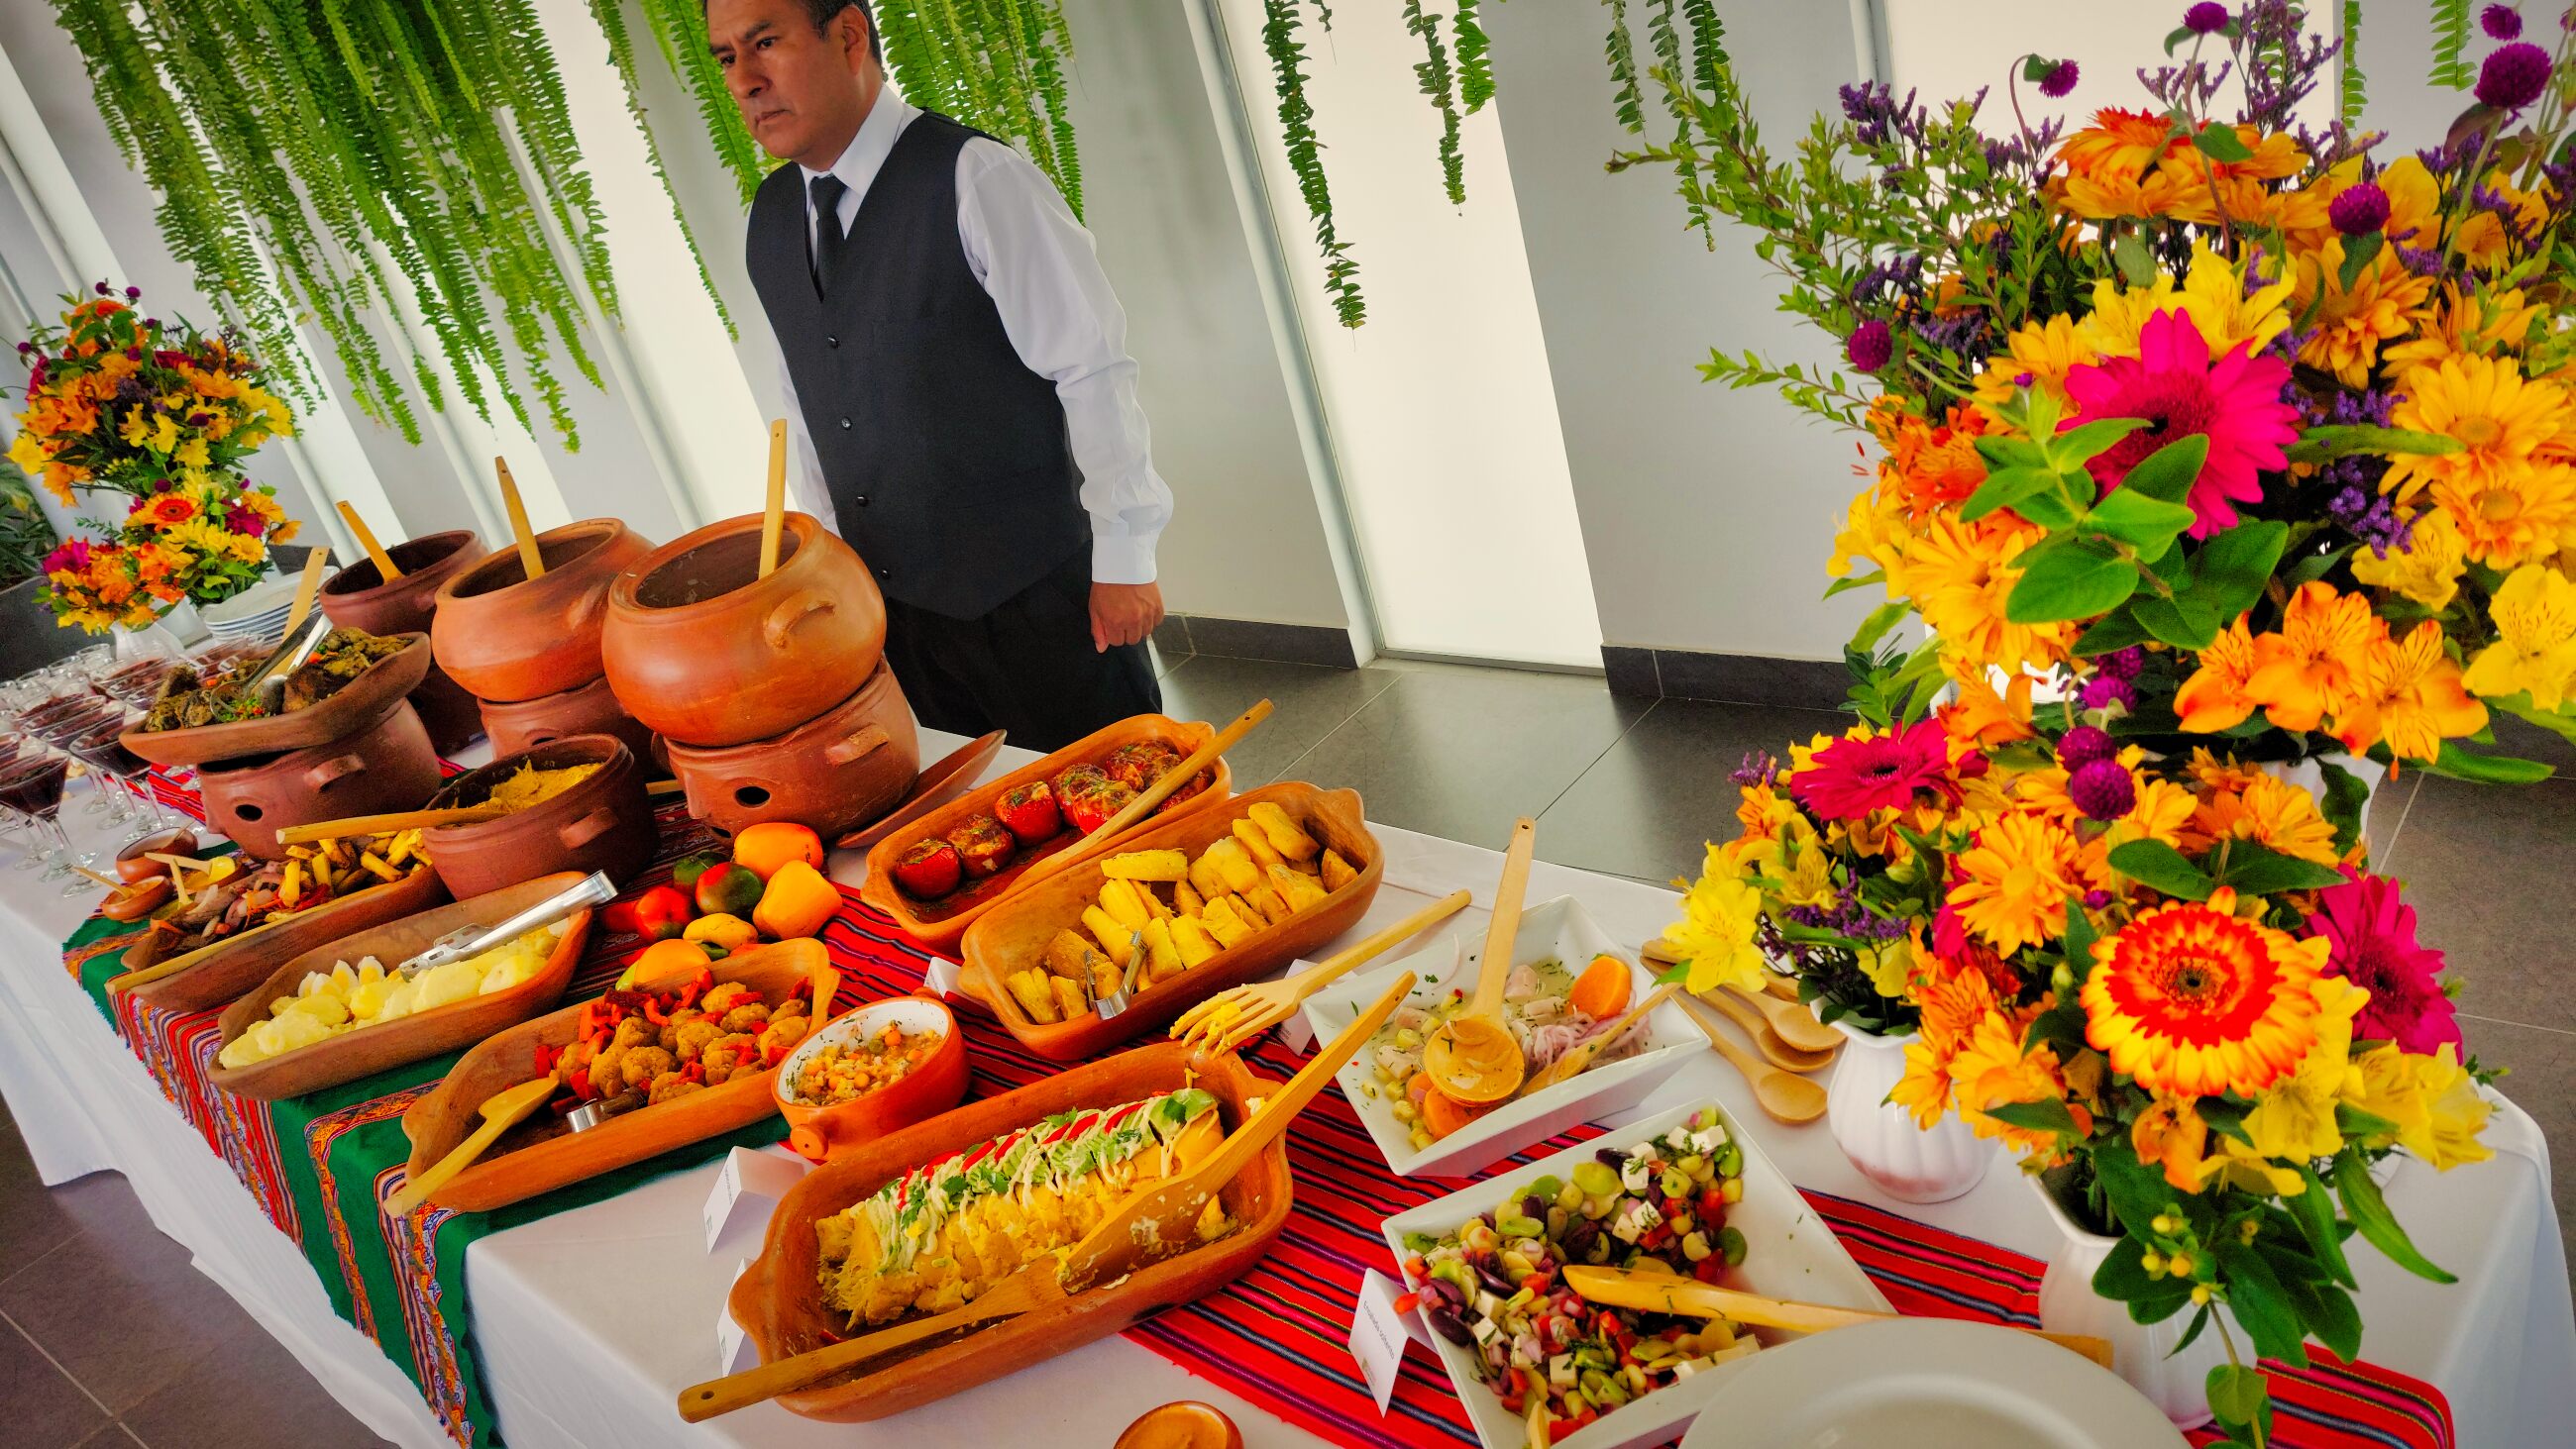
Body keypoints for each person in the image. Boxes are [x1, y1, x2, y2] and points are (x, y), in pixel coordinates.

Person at [708, 0, 1171, 752]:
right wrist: (832, 571)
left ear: (849, 35)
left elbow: (1092, 366)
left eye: (765, 43)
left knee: (1129, 798)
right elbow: (804, 400)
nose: (743, 81)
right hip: (898, 619)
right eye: (727, 57)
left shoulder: (976, 177)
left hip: (1038, 600)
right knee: (973, 814)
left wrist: (1126, 556)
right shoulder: (771, 217)